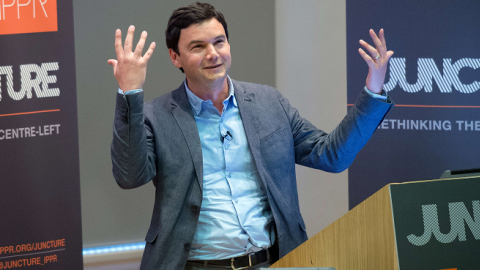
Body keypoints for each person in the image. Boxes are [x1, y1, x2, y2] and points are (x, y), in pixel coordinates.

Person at [109, 2, 394, 270]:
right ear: (175, 57)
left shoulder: (269, 102)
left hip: (272, 262)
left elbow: (332, 155)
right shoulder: (156, 116)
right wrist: (130, 92)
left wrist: (373, 88)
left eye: (219, 42)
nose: (213, 54)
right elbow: (130, 176)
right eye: (198, 46)